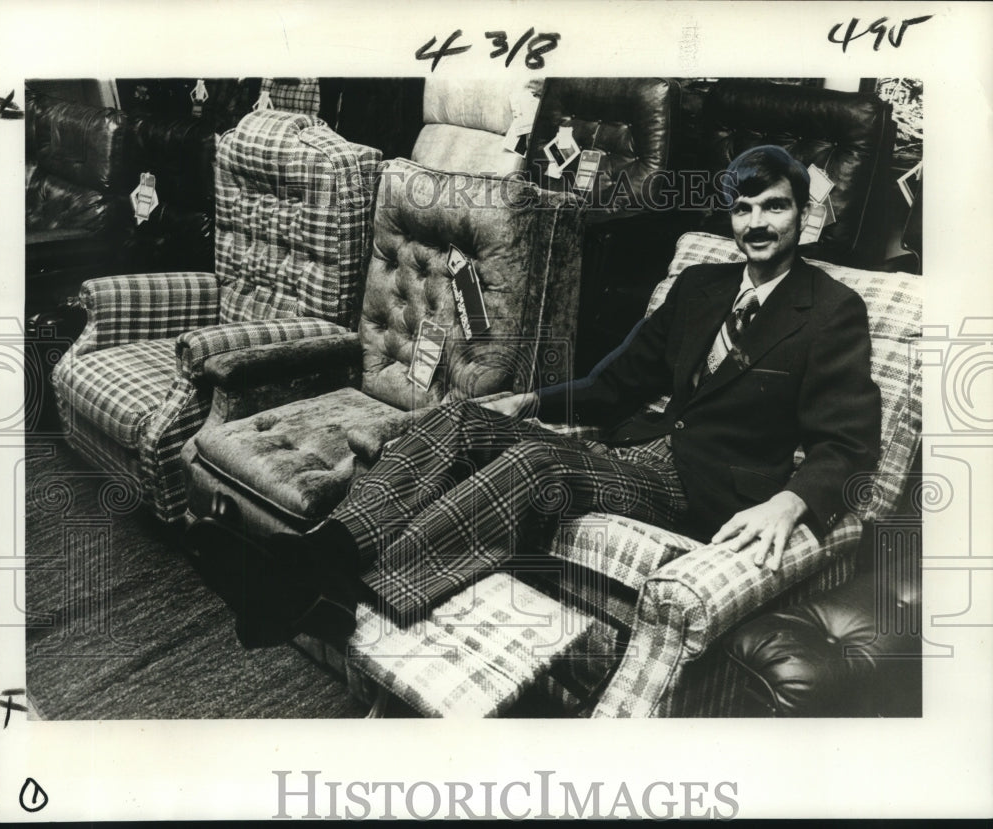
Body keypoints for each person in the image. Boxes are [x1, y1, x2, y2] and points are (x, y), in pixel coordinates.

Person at [217, 145, 882, 648]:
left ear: (805, 214)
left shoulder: (831, 312)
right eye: (745, 207)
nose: (758, 223)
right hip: (640, 456)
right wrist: (530, 403)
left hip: (704, 491)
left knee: (540, 467)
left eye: (775, 206)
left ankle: (358, 597)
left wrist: (792, 500)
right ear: (731, 215)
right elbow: (615, 384)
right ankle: (324, 558)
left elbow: (849, 443)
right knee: (464, 421)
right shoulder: (702, 287)